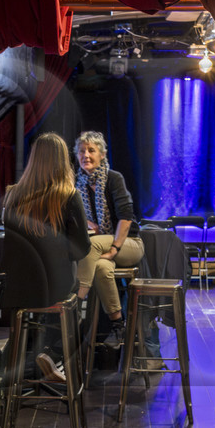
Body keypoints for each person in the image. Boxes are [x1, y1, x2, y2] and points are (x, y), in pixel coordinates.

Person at [0, 133, 92, 384]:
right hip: (54, 288)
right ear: (63, 161)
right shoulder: (69, 195)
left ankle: (30, 367)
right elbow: (82, 249)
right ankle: (51, 356)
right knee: (77, 309)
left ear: (34, 160)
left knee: (46, 304)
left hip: (15, 289)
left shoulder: (12, 195)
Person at [72, 131, 143, 336]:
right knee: (102, 268)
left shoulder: (113, 178)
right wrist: (86, 221)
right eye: (82, 151)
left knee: (92, 246)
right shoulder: (78, 184)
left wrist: (114, 248)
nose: (86, 155)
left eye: (91, 151)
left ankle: (76, 303)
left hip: (129, 244)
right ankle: (118, 324)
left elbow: (126, 217)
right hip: (103, 246)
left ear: (102, 154)